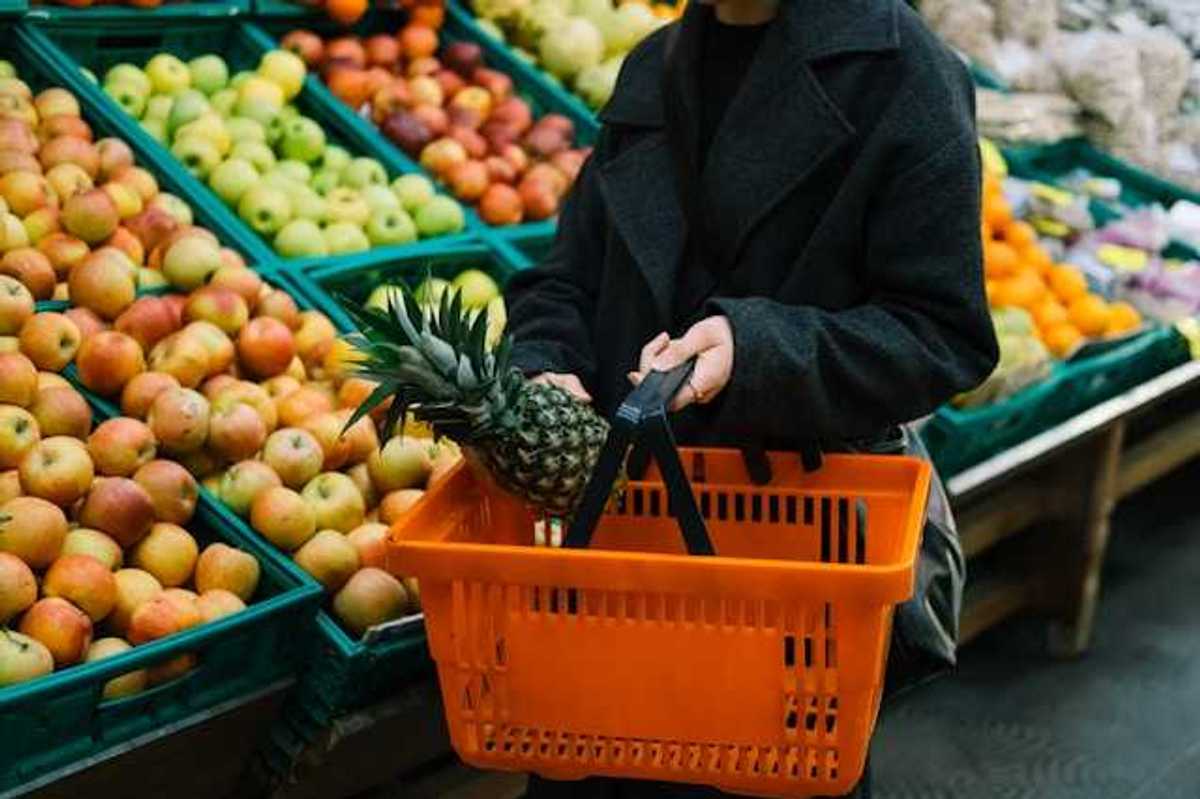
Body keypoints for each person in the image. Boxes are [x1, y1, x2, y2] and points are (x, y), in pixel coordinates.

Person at [505, 0, 998, 795]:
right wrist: (543, 361)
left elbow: (943, 331)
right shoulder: (653, 67)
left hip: (788, 570)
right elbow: (564, 278)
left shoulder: (903, 72)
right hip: (617, 558)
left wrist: (757, 350)